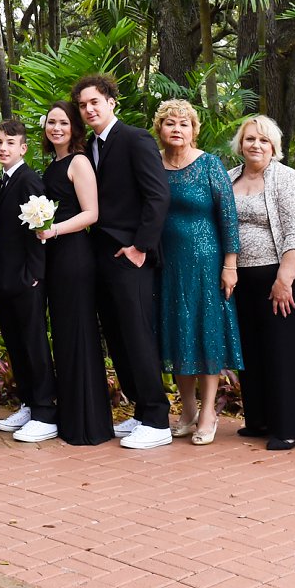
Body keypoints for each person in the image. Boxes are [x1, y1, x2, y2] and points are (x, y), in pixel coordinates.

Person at [72, 74, 171, 451]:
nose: (89, 109)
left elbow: (157, 196)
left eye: (95, 102)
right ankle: (142, 411)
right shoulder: (91, 148)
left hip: (131, 257)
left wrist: (140, 248)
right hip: (101, 256)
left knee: (137, 334)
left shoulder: (135, 139)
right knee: (116, 336)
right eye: (83, 105)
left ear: (112, 101)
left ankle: (158, 419)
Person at [152, 98, 241, 446]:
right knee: (176, 333)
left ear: (193, 130)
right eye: (170, 123)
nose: (177, 129)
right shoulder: (153, 165)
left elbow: (228, 217)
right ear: (159, 129)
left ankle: (208, 413)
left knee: (204, 334)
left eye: (183, 123)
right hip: (166, 265)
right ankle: (187, 411)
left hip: (205, 263)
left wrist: (230, 265)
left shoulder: (209, 165)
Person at [228, 114, 295, 451]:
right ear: (241, 143)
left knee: (284, 351)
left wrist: (284, 279)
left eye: (264, 140)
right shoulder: (229, 178)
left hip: (287, 277)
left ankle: (289, 428)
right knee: (252, 349)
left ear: (274, 146)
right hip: (243, 280)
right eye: (250, 139)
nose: (256, 145)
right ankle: (260, 420)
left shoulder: (287, 179)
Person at [36, 102, 114, 446]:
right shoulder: (52, 164)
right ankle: (70, 416)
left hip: (74, 256)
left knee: (79, 332)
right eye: (51, 122)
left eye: (63, 122)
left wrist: (52, 230)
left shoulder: (79, 162)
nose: (56, 128)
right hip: (54, 257)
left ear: (74, 128)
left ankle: (88, 423)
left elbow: (91, 213)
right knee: (65, 335)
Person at [0, 119, 58, 443]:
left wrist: (34, 275)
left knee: (33, 343)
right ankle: (28, 403)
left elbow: (40, 234)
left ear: (23, 148)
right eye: (0, 142)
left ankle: (46, 411)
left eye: (10, 143)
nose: (3, 148)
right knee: (15, 343)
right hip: (4, 278)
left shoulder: (29, 181)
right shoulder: (2, 182)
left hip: (26, 279)